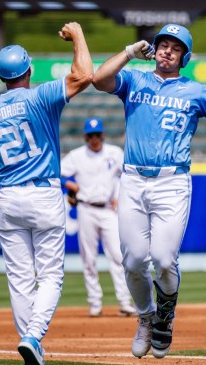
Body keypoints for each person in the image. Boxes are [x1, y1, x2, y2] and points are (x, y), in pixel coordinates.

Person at [92, 24, 206, 359]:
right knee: (131, 262)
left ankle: (165, 317)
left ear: (184, 57)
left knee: (162, 258)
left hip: (171, 181)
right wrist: (130, 52)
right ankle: (146, 317)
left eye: (176, 48)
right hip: (132, 179)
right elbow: (99, 79)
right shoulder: (135, 79)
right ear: (155, 49)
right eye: (163, 45)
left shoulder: (196, 91)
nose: (167, 51)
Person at [0, 22, 92, 365]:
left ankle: (32, 346)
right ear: (29, 70)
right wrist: (78, 36)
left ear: (0, 76)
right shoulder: (40, 96)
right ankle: (33, 336)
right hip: (43, 193)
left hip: (7, 196)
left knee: (20, 280)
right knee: (51, 275)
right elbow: (84, 74)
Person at [60, 118, 137, 318]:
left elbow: (129, 174)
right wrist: (70, 185)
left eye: (97, 134)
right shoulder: (76, 156)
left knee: (118, 257)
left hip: (108, 210)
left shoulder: (114, 153)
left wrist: (120, 195)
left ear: (102, 135)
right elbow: (57, 173)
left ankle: (124, 302)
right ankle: (95, 303)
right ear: (85, 136)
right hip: (86, 208)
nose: (94, 138)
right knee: (89, 258)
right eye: (90, 135)